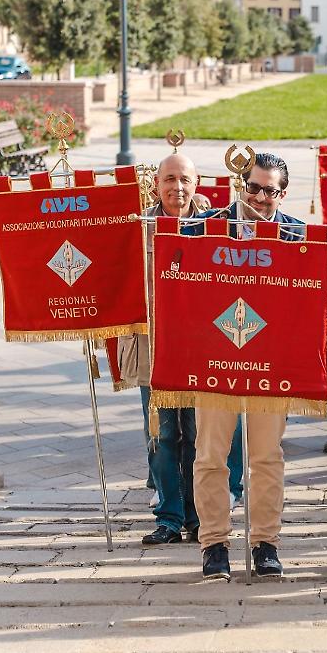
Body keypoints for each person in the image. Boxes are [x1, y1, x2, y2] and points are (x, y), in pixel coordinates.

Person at [192, 152, 306, 581]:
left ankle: (265, 542)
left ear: (282, 192)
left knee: (266, 456)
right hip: (216, 354)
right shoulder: (207, 227)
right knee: (211, 455)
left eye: (270, 190)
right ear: (242, 184)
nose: (260, 197)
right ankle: (215, 543)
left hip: (269, 361)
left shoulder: (297, 234)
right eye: (254, 187)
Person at [117, 152, 205, 546]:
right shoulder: (137, 228)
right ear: (156, 184)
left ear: (196, 182)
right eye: (169, 179)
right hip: (152, 348)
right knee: (162, 435)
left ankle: (200, 516)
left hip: (199, 350)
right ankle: (168, 517)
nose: (177, 188)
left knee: (199, 436)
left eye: (184, 179)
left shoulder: (214, 227)